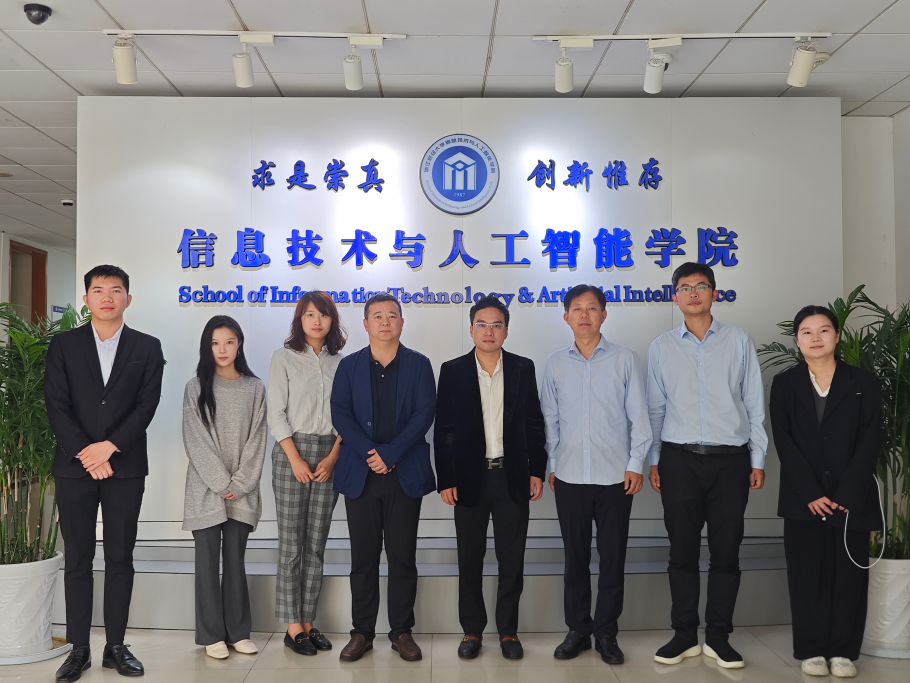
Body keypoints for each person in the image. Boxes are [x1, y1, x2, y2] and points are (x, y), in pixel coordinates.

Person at [44, 265, 165, 683]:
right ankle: (78, 649)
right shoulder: (64, 345)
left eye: (116, 290)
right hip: (75, 468)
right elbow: (56, 403)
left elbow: (147, 405)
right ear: (86, 299)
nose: (107, 297)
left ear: (128, 298)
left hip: (124, 467)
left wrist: (109, 447)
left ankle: (116, 646)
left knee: (120, 557)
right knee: (78, 559)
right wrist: (87, 452)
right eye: (98, 290)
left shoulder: (147, 346)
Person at [646, 262, 767, 670]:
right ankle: (684, 635)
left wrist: (758, 458)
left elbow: (754, 403)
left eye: (701, 286)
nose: (693, 293)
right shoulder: (661, 347)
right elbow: (656, 409)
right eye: (685, 287)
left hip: (731, 462)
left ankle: (718, 637)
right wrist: (655, 460)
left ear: (714, 293)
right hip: (678, 461)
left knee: (726, 552)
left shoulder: (739, 341)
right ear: (674, 296)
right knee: (681, 552)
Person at [542, 285, 651, 666]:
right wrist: (553, 466)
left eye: (592, 308)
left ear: (604, 315)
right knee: (574, 560)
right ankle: (578, 630)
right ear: (566, 317)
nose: (585, 315)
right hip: (569, 476)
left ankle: (606, 633)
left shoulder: (624, 359)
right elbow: (550, 421)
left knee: (612, 559)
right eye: (577, 308)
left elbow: (640, 418)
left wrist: (635, 464)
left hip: (615, 478)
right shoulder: (555, 363)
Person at [770, 306, 882, 679]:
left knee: (849, 578)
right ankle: (812, 650)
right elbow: (784, 441)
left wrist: (848, 492)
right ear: (797, 339)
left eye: (823, 330)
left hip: (852, 499)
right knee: (807, 576)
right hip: (804, 499)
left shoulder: (864, 381)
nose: (815, 337)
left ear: (837, 335)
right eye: (806, 331)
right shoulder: (785, 384)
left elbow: (871, 439)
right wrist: (809, 491)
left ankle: (844, 652)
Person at [434, 296, 547, 660]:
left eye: (497, 324)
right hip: (469, 479)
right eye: (482, 324)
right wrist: (446, 479)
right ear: (471, 330)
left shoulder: (522, 368)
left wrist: (536, 470)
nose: (489, 331)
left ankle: (508, 632)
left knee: (512, 558)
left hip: (512, 477)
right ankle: (472, 630)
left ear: (506, 331)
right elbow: (444, 429)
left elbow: (534, 423)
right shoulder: (453, 370)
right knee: (470, 558)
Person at [330, 293, 436, 663]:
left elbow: (424, 412)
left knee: (403, 556)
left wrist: (391, 453)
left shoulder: (419, 364)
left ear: (402, 322)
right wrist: (370, 453)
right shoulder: (349, 366)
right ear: (366, 324)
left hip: (404, 473)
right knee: (363, 558)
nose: (385, 322)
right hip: (361, 474)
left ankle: (401, 631)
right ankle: (361, 632)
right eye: (378, 316)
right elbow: (340, 413)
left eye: (392, 315)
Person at [182, 316, 266, 659]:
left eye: (229, 342)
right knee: (206, 563)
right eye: (215, 343)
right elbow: (195, 440)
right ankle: (211, 635)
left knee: (234, 561)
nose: (222, 349)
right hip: (205, 491)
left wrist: (240, 484)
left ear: (239, 344)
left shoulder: (255, 388)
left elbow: (258, 439)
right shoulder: (195, 387)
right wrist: (221, 483)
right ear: (207, 346)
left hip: (241, 492)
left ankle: (238, 632)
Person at [268, 292, 346, 656]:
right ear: (300, 320)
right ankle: (291, 626)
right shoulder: (283, 358)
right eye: (309, 314)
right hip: (291, 452)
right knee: (291, 545)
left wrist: (333, 456)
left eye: (323, 315)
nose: (317, 321)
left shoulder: (342, 363)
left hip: (330, 452)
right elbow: (276, 413)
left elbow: (347, 414)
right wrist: (295, 459)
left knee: (316, 543)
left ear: (332, 321)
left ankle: (309, 621)